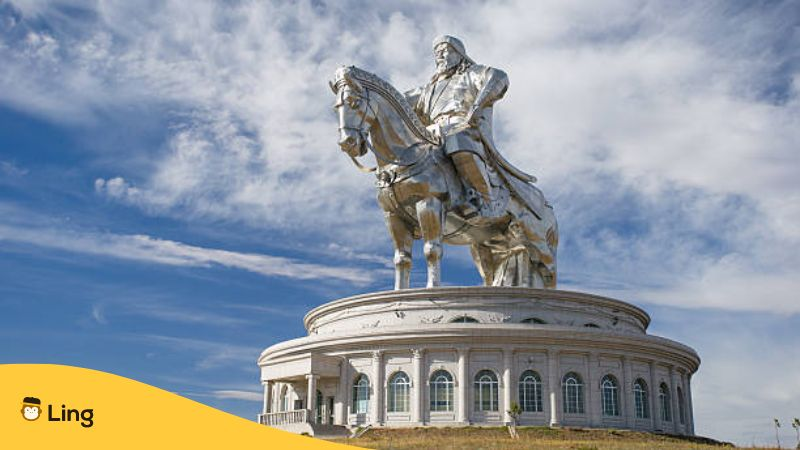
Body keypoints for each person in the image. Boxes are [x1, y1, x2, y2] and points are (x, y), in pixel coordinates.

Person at [405, 35, 531, 216]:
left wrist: (477, 107)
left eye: (445, 51)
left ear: (458, 54)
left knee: (456, 140)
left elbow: (498, 77)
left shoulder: (470, 74)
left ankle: (485, 198)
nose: (440, 56)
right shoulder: (428, 89)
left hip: (461, 126)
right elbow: (397, 101)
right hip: (432, 133)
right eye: (437, 53)